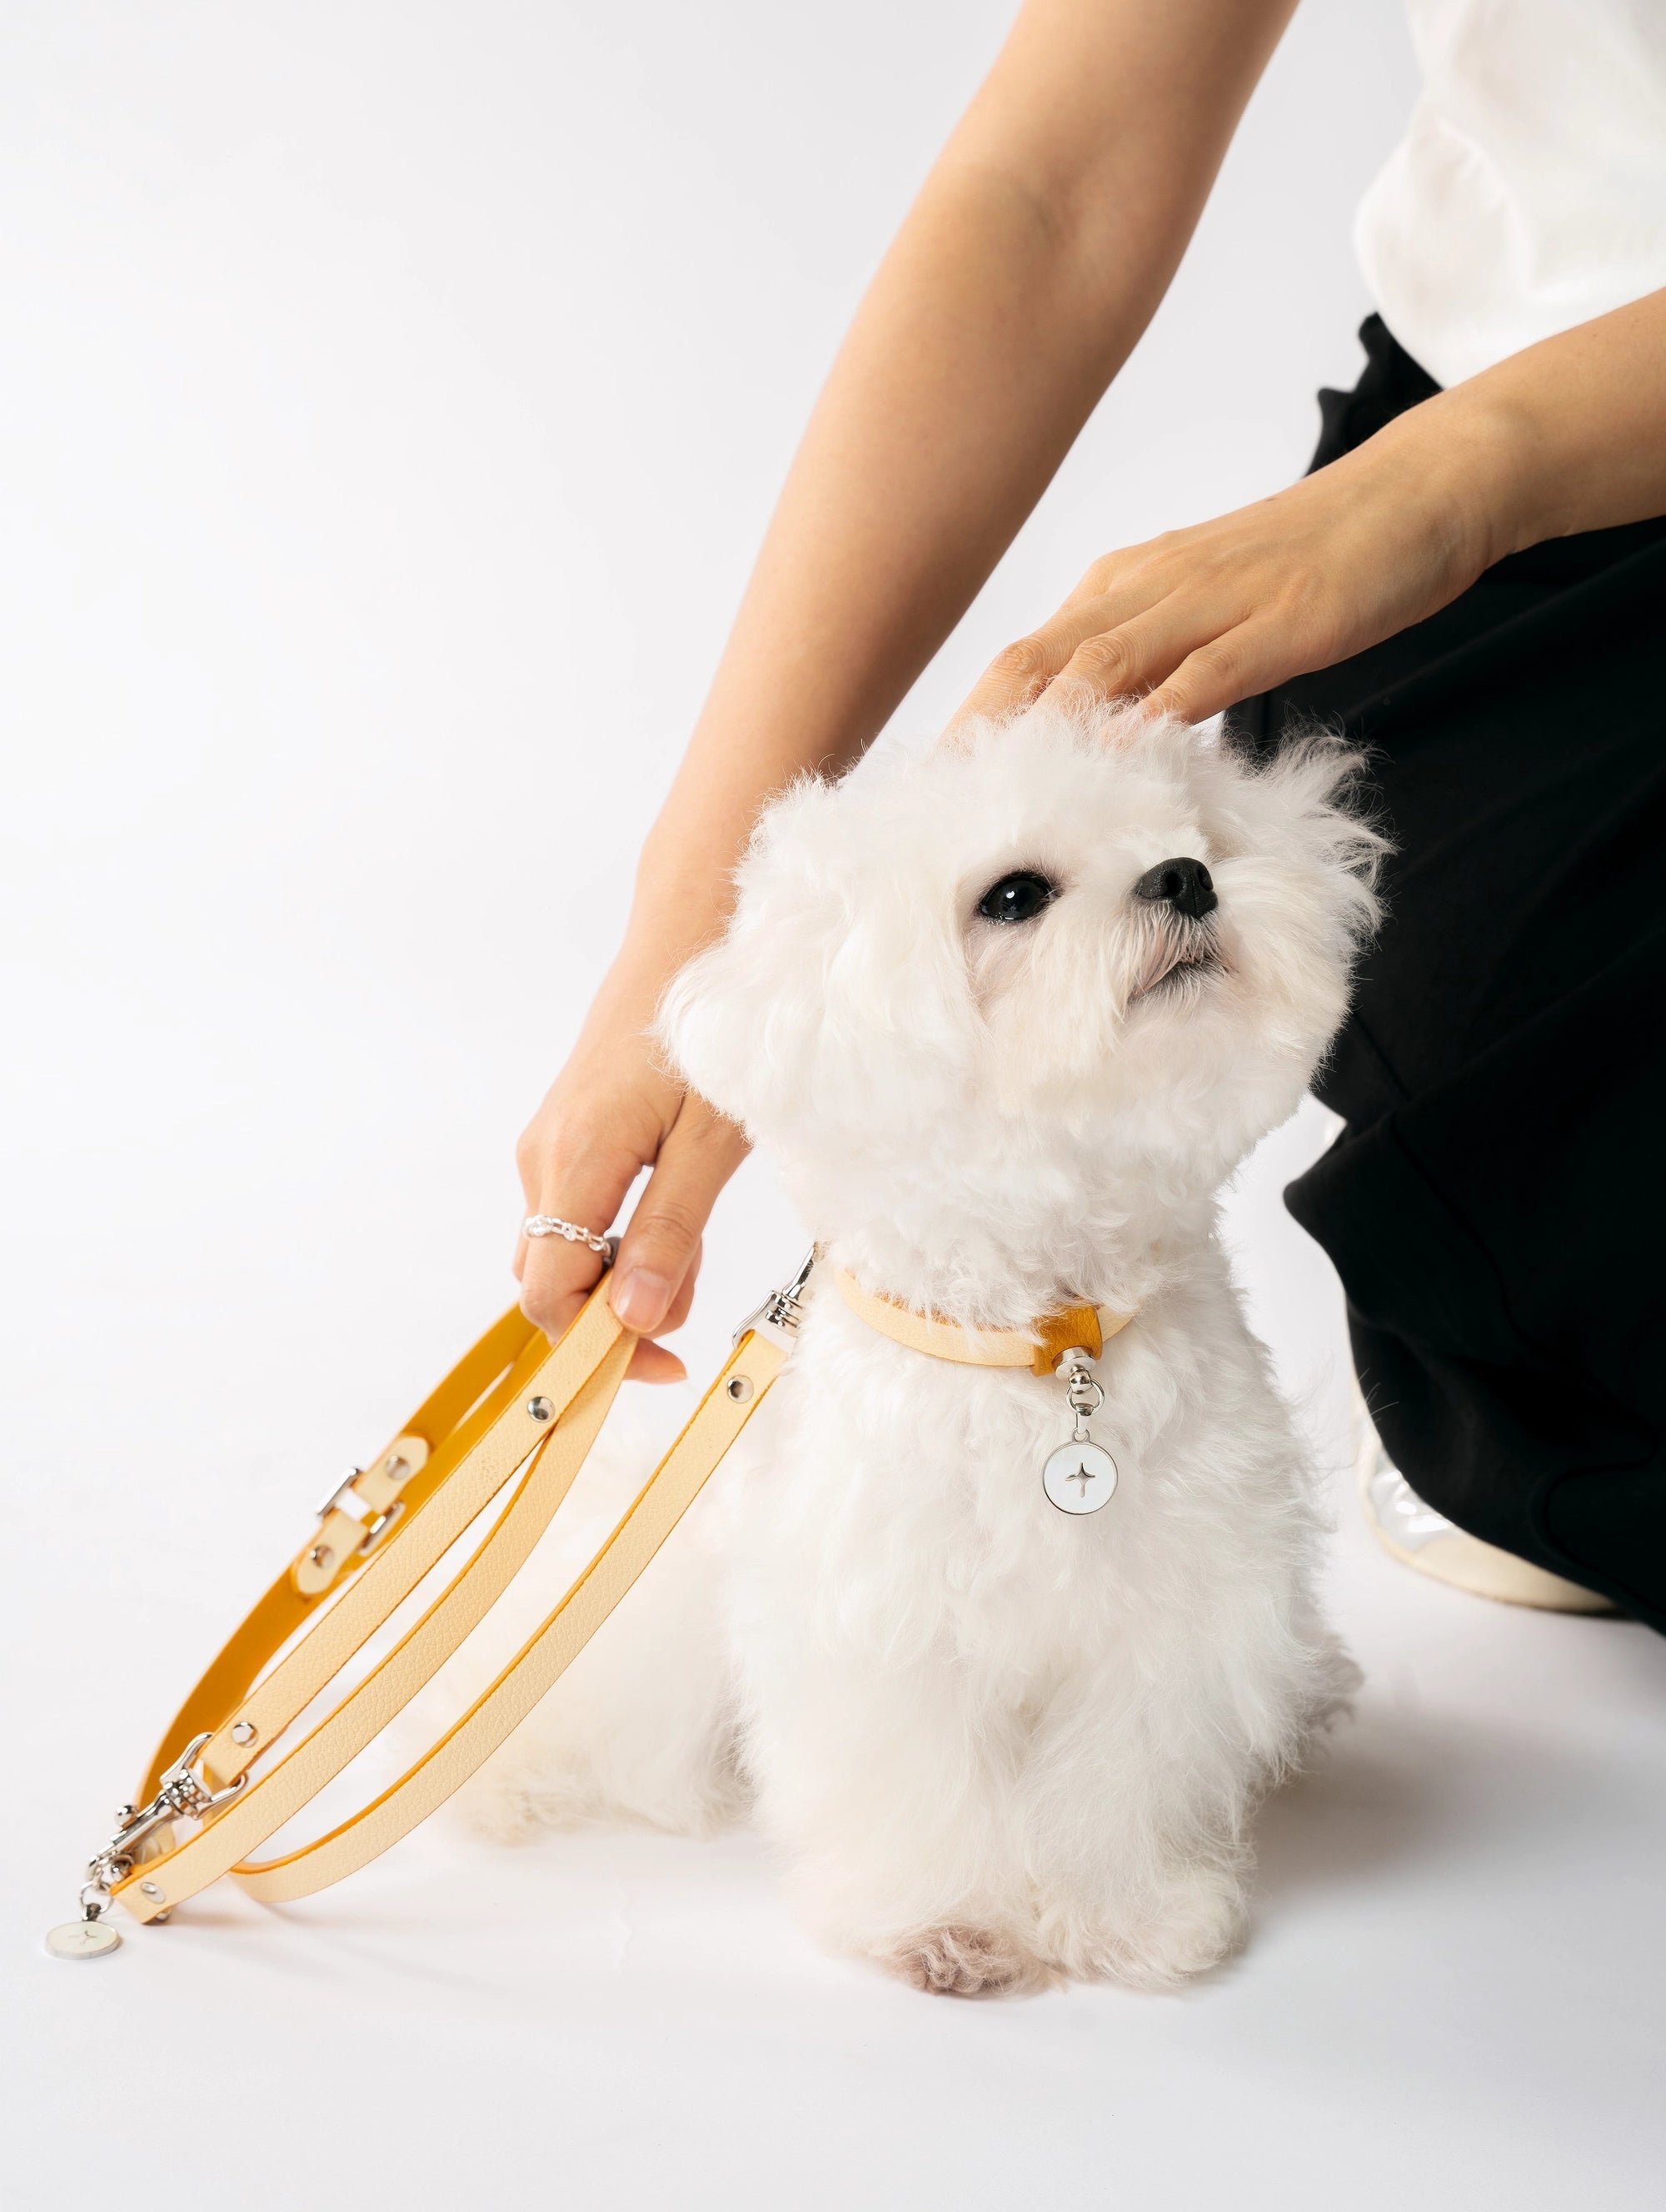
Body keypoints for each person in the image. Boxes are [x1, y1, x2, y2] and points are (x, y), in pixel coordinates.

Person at [513, 0, 1666, 1632]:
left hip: (1466, 484)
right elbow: (1053, 184)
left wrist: (1444, 482)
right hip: (1547, 521)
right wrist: (693, 915)